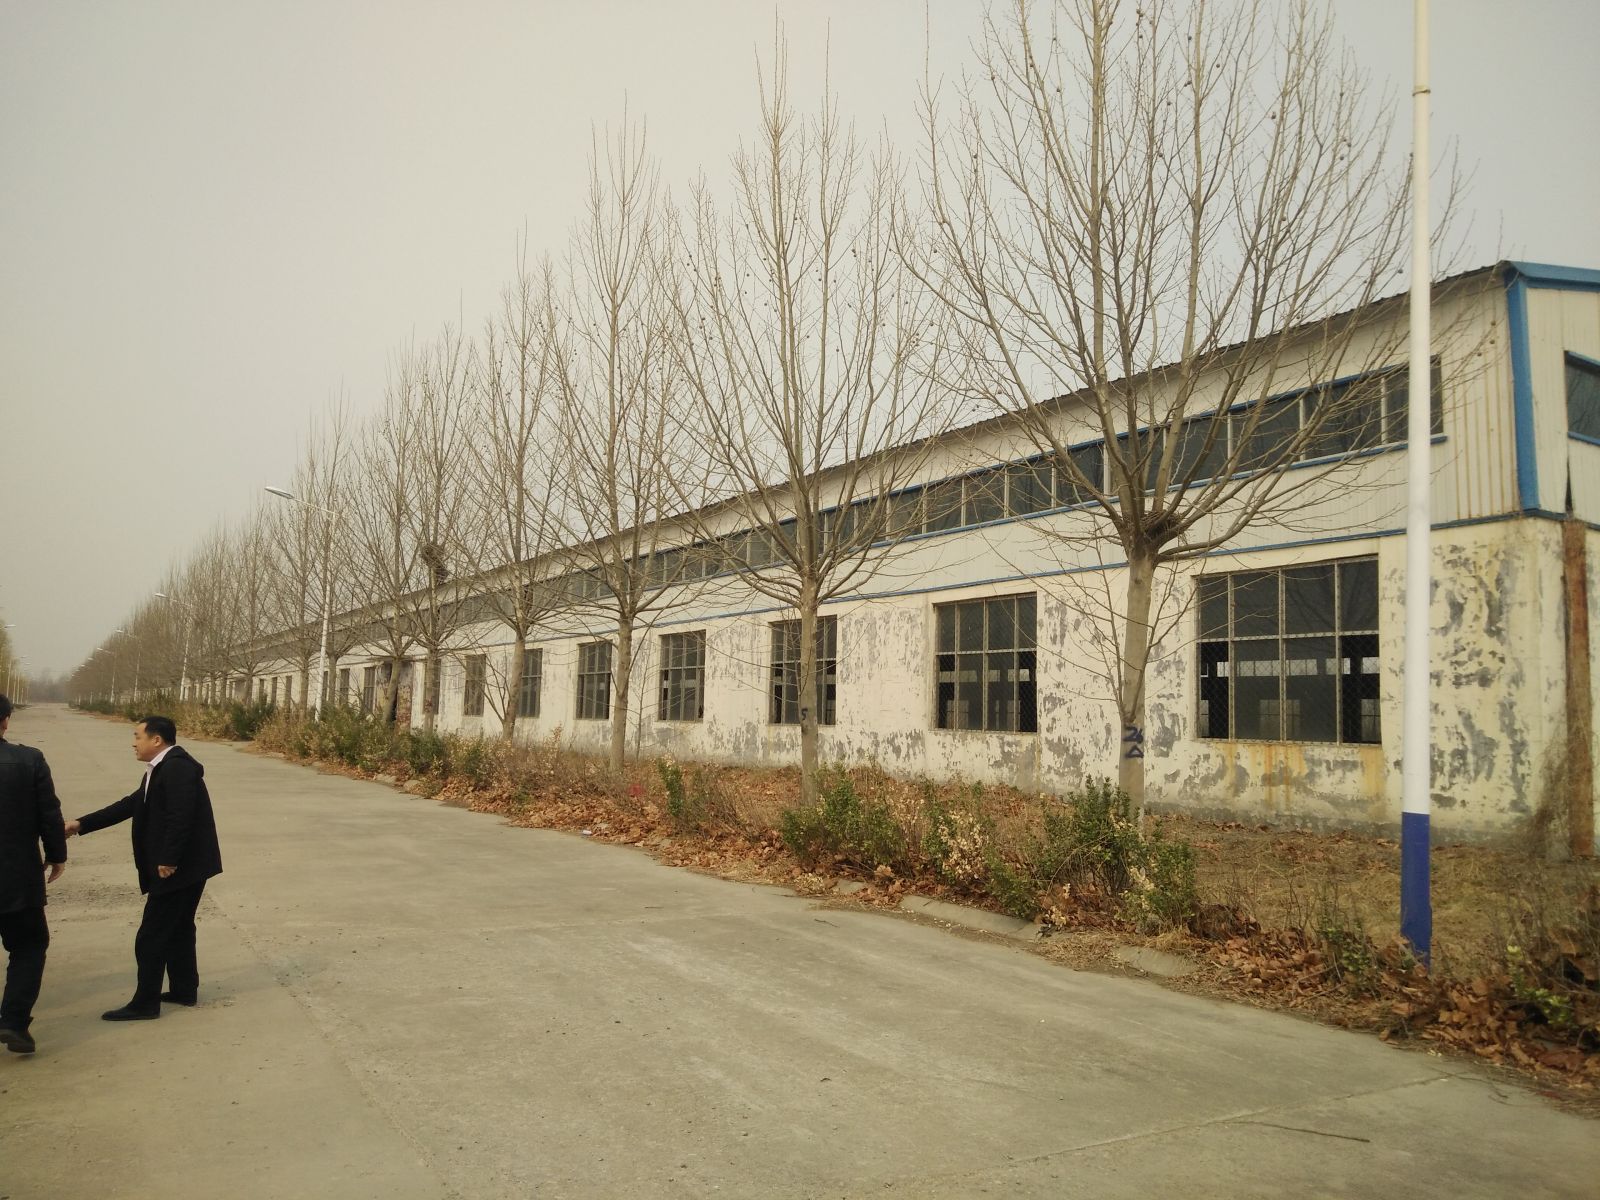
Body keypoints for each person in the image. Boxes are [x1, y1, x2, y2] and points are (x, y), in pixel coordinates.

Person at [66, 715, 221, 1021]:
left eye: (137, 736)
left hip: (178, 869)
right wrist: (82, 824)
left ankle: (145, 1003)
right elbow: (130, 804)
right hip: (187, 866)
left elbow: (181, 816)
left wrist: (169, 859)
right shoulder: (161, 768)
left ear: (156, 740)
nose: (133, 743)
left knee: (151, 935)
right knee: (179, 927)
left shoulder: (176, 769)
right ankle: (184, 990)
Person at [0, 693, 67, 1055]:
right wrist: (56, 855)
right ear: (5, 720)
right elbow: (49, 813)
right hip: (16, 877)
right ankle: (13, 1022)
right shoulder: (29, 760)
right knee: (28, 945)